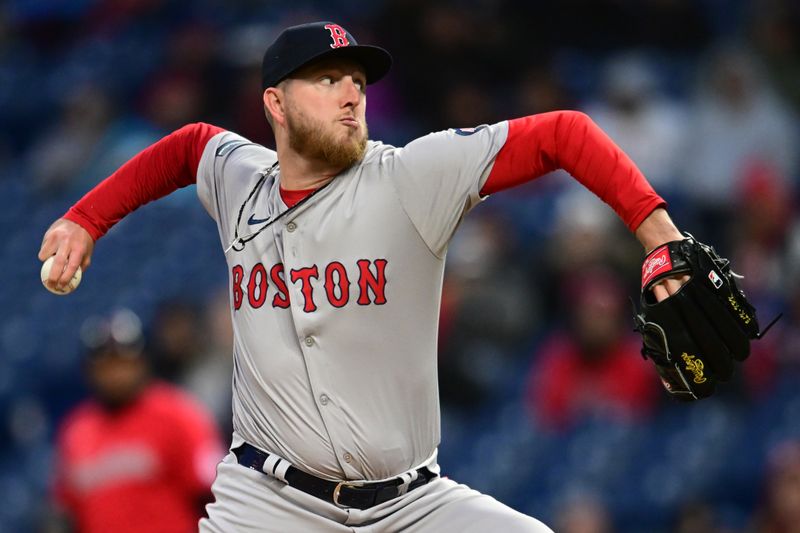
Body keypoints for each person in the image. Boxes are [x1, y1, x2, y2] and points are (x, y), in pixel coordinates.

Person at [39, 21, 686, 532]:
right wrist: (84, 220)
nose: (351, 92)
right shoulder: (238, 178)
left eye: (357, 79)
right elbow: (185, 148)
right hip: (269, 504)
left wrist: (661, 238)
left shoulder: (409, 177)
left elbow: (564, 133)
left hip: (411, 505)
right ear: (276, 102)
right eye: (326, 79)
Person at [51, 309, 224, 533]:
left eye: (124, 362)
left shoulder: (177, 414)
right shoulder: (76, 430)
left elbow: (215, 493)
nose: (115, 374)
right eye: (105, 365)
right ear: (89, 372)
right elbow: (66, 511)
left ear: (143, 362)